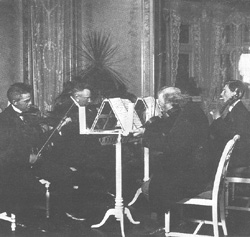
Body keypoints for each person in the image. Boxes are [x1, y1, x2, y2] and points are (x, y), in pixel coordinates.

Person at [133, 87, 211, 224]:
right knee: (159, 174)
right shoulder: (190, 109)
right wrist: (149, 127)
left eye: (163, 106)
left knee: (148, 187)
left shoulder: (187, 117)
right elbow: (170, 125)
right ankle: (174, 218)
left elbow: (171, 146)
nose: (163, 110)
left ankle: (170, 222)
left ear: (172, 102)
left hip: (195, 177)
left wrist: (145, 138)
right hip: (199, 169)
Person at [209, 80, 250, 170]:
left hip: (236, 159)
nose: (221, 94)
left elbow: (232, 136)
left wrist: (218, 119)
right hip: (231, 156)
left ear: (235, 93)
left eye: (225, 91)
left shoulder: (241, 112)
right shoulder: (234, 109)